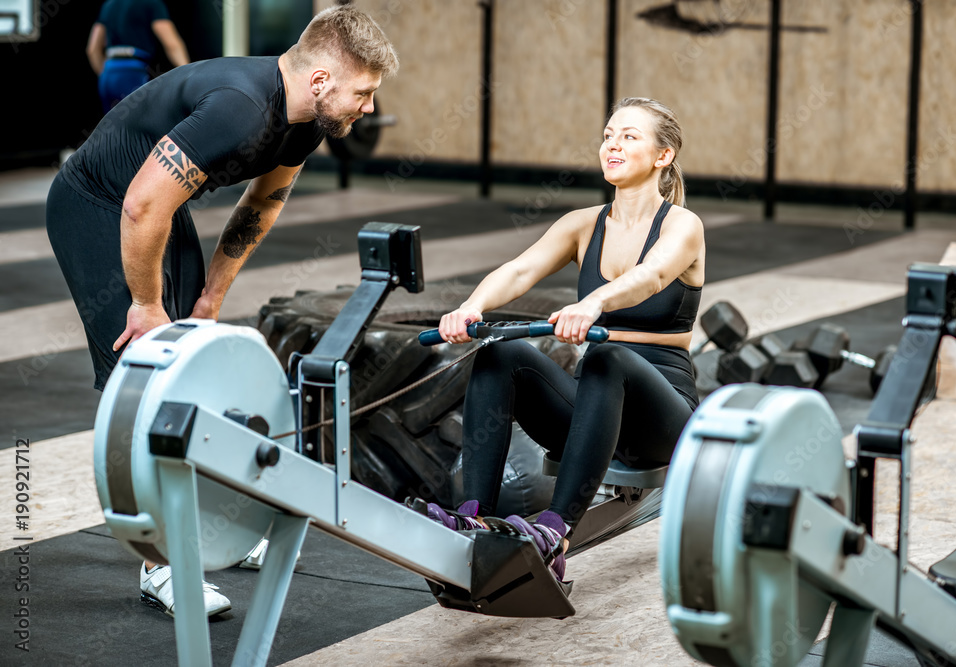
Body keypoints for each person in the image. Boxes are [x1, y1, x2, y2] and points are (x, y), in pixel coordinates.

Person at [48, 5, 398, 617]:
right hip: (98, 203)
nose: (367, 108)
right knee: (142, 378)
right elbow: (137, 206)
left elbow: (259, 207)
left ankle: (216, 523)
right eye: (363, 93)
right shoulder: (240, 107)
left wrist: (210, 297)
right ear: (321, 83)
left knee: (193, 367)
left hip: (156, 207)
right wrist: (146, 305)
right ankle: (162, 566)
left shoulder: (306, 124)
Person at [427, 98, 704, 583]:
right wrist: (472, 306)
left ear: (664, 155)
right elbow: (521, 269)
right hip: (595, 415)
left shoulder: (682, 225)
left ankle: (554, 533)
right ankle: (474, 515)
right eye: (608, 135)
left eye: (629, 136)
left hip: (661, 421)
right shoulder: (583, 224)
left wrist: (595, 303)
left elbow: (654, 274)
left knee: (607, 359)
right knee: (501, 354)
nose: (612, 145)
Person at [86, 0, 191, 113]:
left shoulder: (109, 5)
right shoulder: (152, 3)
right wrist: (190, 74)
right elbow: (172, 45)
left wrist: (105, 74)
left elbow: (92, 50)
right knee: (143, 123)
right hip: (132, 73)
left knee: (114, 127)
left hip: (108, 73)